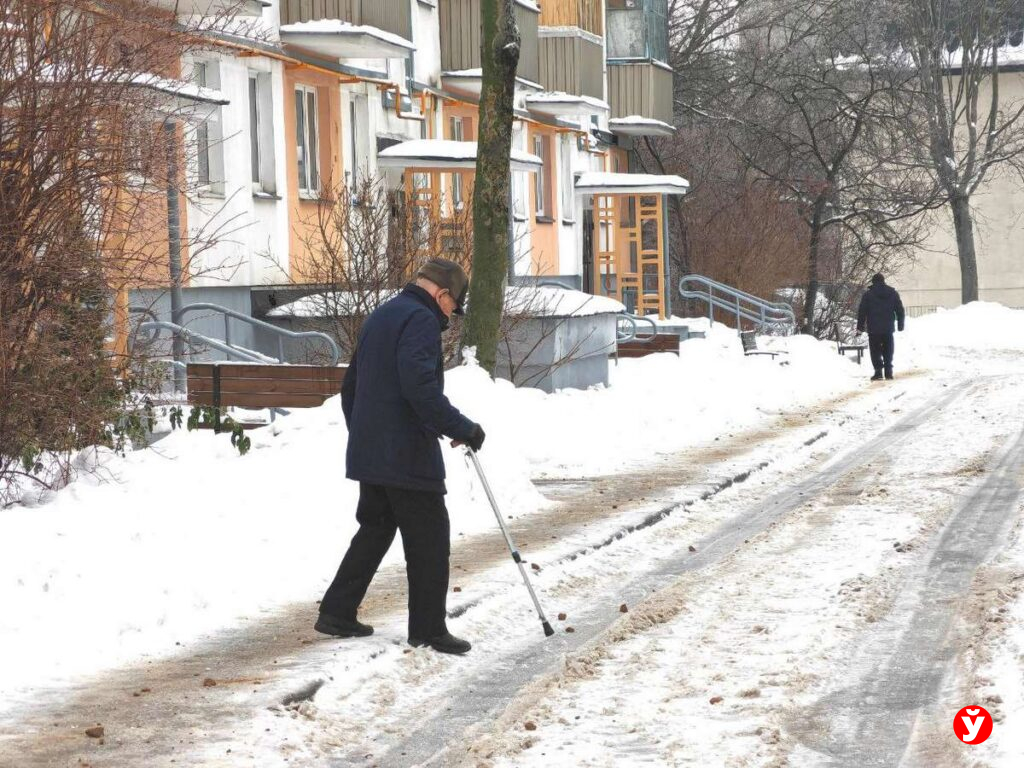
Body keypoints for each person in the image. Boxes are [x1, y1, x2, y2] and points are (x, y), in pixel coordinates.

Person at [315, 258, 485, 655]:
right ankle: (428, 629)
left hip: (373, 451)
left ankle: (337, 611)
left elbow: (350, 387)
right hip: (406, 455)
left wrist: (364, 435)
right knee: (429, 539)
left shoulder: (383, 314)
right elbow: (420, 390)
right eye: (452, 307)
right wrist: (463, 428)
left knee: (376, 528)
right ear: (442, 294)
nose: (450, 316)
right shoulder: (421, 321)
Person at [857, 273, 905, 381]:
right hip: (888, 327)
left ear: (873, 282)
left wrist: (860, 327)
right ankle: (888, 371)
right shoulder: (893, 293)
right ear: (884, 281)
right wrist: (900, 324)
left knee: (875, 350)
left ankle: (878, 371)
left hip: (873, 328)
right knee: (888, 349)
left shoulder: (868, 295)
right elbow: (900, 309)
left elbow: (862, 312)